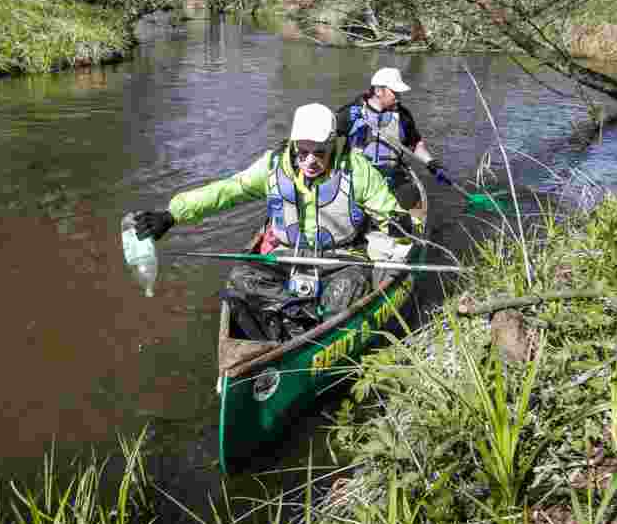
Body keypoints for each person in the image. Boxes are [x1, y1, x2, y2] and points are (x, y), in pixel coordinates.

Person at [133, 102, 415, 340]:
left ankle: (302, 328)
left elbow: (387, 210)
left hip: (340, 259)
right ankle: (294, 320)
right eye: (302, 152)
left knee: (346, 290)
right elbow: (228, 190)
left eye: (319, 152)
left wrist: (399, 227)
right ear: (293, 144)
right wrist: (172, 214)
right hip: (284, 258)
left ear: (332, 144)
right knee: (240, 279)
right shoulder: (272, 167)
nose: (310, 161)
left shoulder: (356, 169)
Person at [335, 67, 449, 212]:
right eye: (394, 92)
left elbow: (416, 145)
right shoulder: (351, 112)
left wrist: (431, 162)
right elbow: (326, 140)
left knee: (410, 205)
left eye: (399, 93)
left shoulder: (403, 116)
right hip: (356, 178)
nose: (399, 97)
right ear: (378, 91)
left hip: (390, 177)